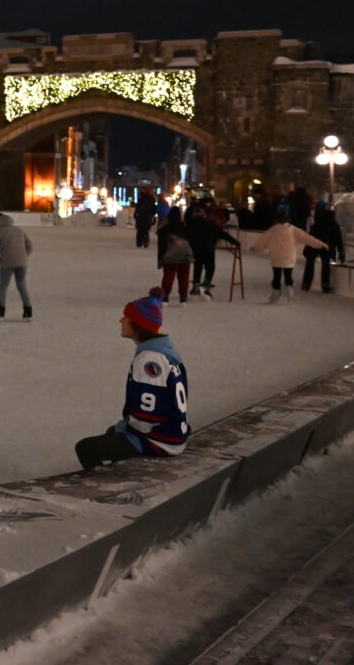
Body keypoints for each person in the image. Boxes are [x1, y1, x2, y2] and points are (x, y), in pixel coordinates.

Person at [76, 289, 191, 470]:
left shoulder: (149, 360)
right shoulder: (163, 352)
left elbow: (147, 418)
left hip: (160, 441)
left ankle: (102, 487)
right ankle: (115, 474)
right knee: (112, 433)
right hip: (173, 434)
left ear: (138, 324)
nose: (120, 321)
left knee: (85, 447)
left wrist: (127, 431)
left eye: (126, 317)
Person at [254, 217, 328, 301]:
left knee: (277, 276)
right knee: (288, 275)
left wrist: (255, 248)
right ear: (288, 220)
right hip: (289, 257)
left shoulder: (272, 230)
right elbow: (308, 239)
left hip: (276, 257)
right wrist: (321, 245)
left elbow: (262, 241)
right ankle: (289, 288)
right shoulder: (294, 230)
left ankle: (276, 290)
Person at [185, 201, 241, 296]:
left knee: (197, 268)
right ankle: (206, 284)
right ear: (204, 215)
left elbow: (185, 237)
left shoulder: (191, 225)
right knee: (210, 267)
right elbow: (222, 234)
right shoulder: (210, 224)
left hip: (196, 250)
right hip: (208, 249)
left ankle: (196, 286)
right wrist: (235, 242)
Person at [0, 212, 33, 320]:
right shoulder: (19, 230)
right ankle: (28, 311)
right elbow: (30, 246)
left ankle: (1, 311)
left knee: (3, 286)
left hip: (7, 263)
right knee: (22, 285)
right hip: (22, 263)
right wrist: (23, 257)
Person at [303, 200, 346, 292]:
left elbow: (310, 236)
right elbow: (338, 240)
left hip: (313, 246)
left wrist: (306, 248)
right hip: (326, 247)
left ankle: (306, 284)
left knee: (310, 264)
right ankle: (325, 285)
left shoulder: (317, 224)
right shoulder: (334, 225)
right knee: (325, 265)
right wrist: (341, 252)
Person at [155, 208, 193, 304]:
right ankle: (183, 297)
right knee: (184, 276)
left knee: (168, 276)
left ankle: (165, 297)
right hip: (184, 256)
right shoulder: (185, 227)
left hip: (170, 256)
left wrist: (160, 259)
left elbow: (162, 246)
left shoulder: (164, 229)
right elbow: (191, 242)